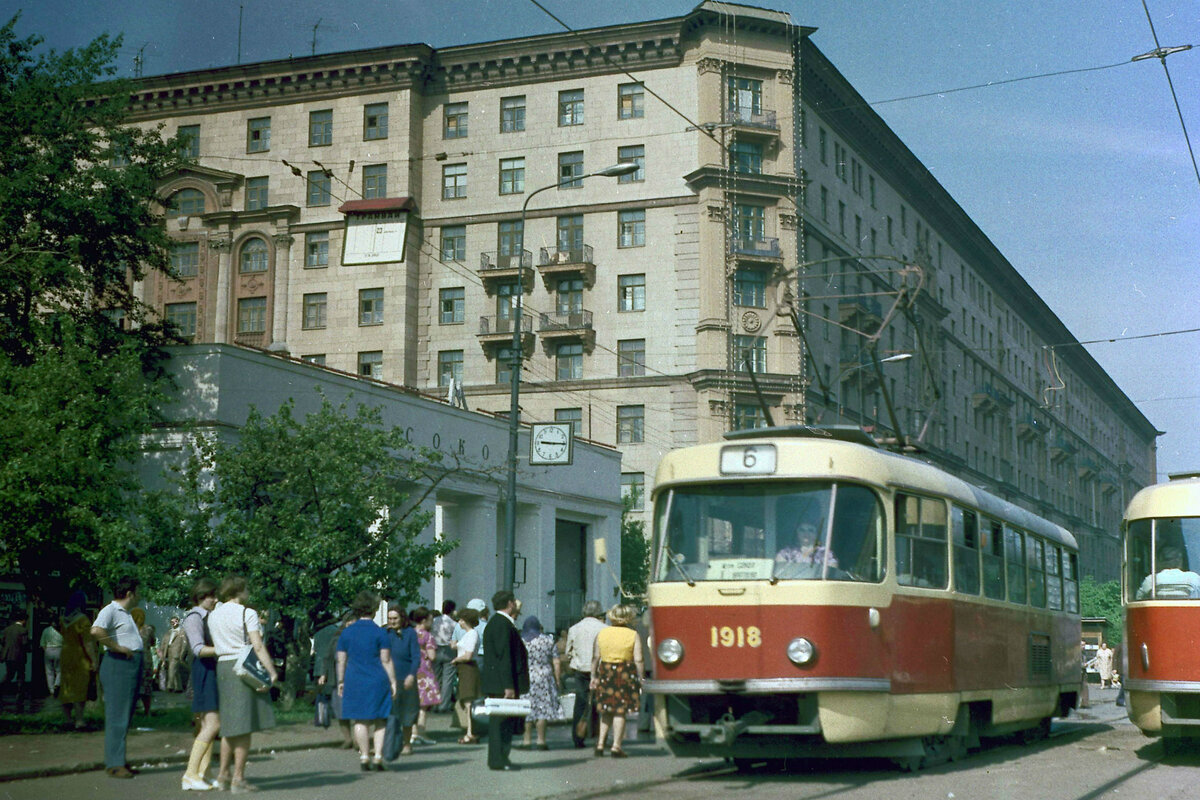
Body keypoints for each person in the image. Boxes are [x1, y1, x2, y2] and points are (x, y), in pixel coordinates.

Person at [208, 575, 278, 793]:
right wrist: (271, 672)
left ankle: (222, 775)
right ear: (240, 591)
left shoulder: (214, 614)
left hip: (222, 666)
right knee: (244, 725)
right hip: (243, 666)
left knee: (230, 725)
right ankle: (238, 777)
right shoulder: (248, 613)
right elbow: (257, 646)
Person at [90, 576, 144, 779]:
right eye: (138, 592)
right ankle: (114, 763)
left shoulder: (127, 613)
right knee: (117, 715)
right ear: (129, 593)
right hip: (118, 665)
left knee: (125, 714)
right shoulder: (111, 610)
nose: (140, 596)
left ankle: (118, 760)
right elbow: (96, 630)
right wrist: (117, 647)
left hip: (130, 665)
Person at [337, 591, 397, 772]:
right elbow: (386, 660)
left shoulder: (346, 633)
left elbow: (341, 660)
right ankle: (378, 756)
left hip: (354, 679)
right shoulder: (380, 632)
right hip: (377, 679)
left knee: (360, 720)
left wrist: (341, 680)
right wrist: (393, 681)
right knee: (380, 719)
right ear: (374, 609)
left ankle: (364, 756)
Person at [181, 577, 222, 791]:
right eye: (211, 596)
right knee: (212, 725)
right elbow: (198, 648)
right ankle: (190, 774)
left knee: (208, 726)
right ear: (200, 597)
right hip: (203, 670)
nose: (215, 600)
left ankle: (203, 773)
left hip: (211, 670)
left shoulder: (208, 616)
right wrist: (226, 648)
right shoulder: (194, 617)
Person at [481, 589, 529, 771]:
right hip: (503, 684)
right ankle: (498, 759)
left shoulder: (496, 622)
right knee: (502, 724)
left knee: (502, 722)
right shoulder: (502, 624)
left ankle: (501, 758)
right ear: (510, 604)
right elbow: (504, 657)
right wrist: (508, 685)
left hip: (498, 681)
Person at [590, 604, 644, 758]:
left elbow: (595, 657)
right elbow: (639, 659)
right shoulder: (633, 635)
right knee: (620, 711)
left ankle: (600, 744)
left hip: (606, 672)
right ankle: (616, 746)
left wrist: (593, 676)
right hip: (625, 672)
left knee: (606, 710)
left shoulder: (602, 633)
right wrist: (641, 678)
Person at [564, 600, 607, 748]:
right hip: (600, 669)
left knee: (581, 703)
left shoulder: (574, 628)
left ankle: (578, 737)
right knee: (601, 703)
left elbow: (568, 652)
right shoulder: (604, 628)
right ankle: (600, 738)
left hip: (581, 669)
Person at [519, 615, 562, 750]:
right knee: (543, 709)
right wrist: (558, 679)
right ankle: (541, 741)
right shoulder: (548, 640)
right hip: (545, 676)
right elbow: (556, 661)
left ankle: (526, 741)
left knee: (526, 708)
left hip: (526, 676)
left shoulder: (522, 641)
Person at [385, 604, 420, 756]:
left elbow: (416, 657)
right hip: (388, 679)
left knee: (408, 712)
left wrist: (412, 675)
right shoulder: (384, 633)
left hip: (406, 678)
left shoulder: (410, 633)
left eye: (395, 618)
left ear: (402, 618)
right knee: (388, 713)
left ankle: (407, 744)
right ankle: (387, 744)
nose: (392, 621)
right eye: (389, 619)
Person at [59, 591, 96, 729]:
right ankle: (79, 720)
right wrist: (93, 660)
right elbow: (87, 643)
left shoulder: (63, 619)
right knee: (80, 687)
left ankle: (67, 719)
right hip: (80, 657)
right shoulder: (83, 620)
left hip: (65, 655)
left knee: (66, 687)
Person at [409, 606, 442, 744]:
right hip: (424, 671)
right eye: (430, 620)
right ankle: (420, 733)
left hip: (410, 670)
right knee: (423, 706)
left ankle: (411, 734)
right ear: (423, 620)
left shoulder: (409, 633)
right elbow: (432, 656)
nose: (432, 623)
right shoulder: (428, 636)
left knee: (412, 705)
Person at [449, 607, 481, 744]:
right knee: (466, 701)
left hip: (467, 669)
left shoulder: (472, 634)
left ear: (466, 621)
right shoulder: (467, 634)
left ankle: (470, 732)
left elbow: (467, 655)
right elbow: (458, 647)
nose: (459, 622)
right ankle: (469, 731)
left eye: (461, 620)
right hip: (463, 669)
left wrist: (456, 660)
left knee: (468, 702)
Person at [1135, 546, 1200, 599]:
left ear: (1160, 562)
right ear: (1180, 561)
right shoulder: (1194, 578)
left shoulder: (1151, 579)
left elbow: (1139, 599)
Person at [431, 600, 458, 712]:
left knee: (435, 677)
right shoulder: (453, 624)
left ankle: (434, 703)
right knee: (448, 678)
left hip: (435, 648)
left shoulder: (434, 621)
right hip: (448, 650)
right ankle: (444, 704)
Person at [129, 608, 156, 716]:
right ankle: (147, 711)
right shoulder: (148, 629)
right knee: (146, 687)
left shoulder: (129, 629)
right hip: (144, 659)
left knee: (136, 686)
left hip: (135, 659)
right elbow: (153, 642)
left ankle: (134, 711)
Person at [1, 613, 29, 710]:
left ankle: (1, 689)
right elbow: (25, 644)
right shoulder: (23, 630)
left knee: (9, 675)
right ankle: (20, 696)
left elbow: (3, 642)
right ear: (23, 620)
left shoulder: (7, 629)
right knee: (21, 676)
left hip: (9, 656)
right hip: (19, 657)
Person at [164, 615, 190, 693]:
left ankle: (170, 686)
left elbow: (185, 644)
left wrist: (182, 654)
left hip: (177, 653)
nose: (173, 623)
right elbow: (165, 642)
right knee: (175, 670)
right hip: (169, 652)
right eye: (171, 622)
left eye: (175, 621)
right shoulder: (169, 632)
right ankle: (178, 687)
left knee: (172, 669)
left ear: (178, 621)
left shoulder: (182, 631)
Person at [40, 618, 63, 698]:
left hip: (48, 650)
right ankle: (57, 683)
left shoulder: (46, 630)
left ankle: (51, 689)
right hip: (59, 649)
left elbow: (42, 643)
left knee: (49, 671)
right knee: (59, 670)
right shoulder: (62, 630)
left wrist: (46, 651)